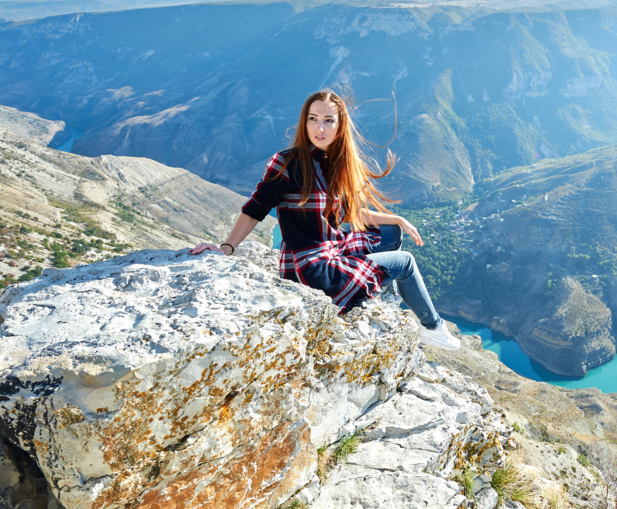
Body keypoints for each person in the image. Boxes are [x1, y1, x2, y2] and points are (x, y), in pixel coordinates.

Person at [190, 89, 460, 351]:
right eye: (313, 119)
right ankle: (432, 327)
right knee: (406, 263)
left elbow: (348, 213)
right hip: (312, 269)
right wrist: (226, 248)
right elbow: (255, 208)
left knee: (391, 233)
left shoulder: (333, 163)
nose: (320, 128)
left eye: (328, 120)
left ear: (340, 126)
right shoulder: (286, 163)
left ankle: (367, 284)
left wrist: (398, 219)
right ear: (304, 122)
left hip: (331, 249)